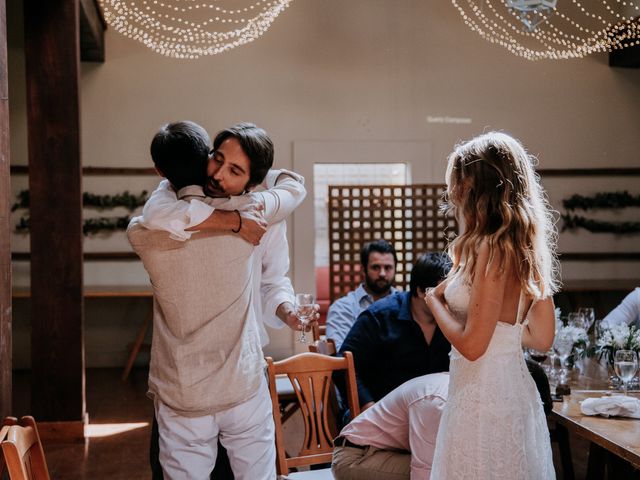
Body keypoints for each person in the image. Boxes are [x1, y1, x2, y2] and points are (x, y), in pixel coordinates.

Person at [128, 121, 309, 479]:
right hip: (203, 385)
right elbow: (293, 187)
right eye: (217, 159)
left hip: (230, 369)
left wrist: (287, 311)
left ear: (254, 180)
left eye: (235, 169)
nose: (219, 174)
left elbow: (274, 281)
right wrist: (234, 222)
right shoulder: (253, 214)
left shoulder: (147, 231)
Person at [425, 131, 559, 479]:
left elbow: (472, 346)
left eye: (460, 181)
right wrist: (500, 330)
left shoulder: (490, 248)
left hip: (482, 398)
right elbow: (542, 338)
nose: (454, 192)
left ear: (477, 186)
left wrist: (434, 301)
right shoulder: (527, 249)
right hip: (511, 391)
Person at [331, 360, 553, 480]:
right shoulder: (439, 403)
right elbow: (426, 474)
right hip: (357, 456)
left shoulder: (473, 394)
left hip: (397, 452)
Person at [337, 252, 452, 411]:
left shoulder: (453, 321)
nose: (448, 301)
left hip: (432, 412)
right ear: (420, 291)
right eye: (443, 295)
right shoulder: (379, 317)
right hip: (381, 410)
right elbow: (343, 365)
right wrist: (367, 406)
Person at [326, 239, 398, 350]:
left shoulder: (406, 305)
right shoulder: (343, 308)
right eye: (376, 267)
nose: (382, 273)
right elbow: (341, 356)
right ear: (363, 270)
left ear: (395, 270)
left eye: (388, 268)